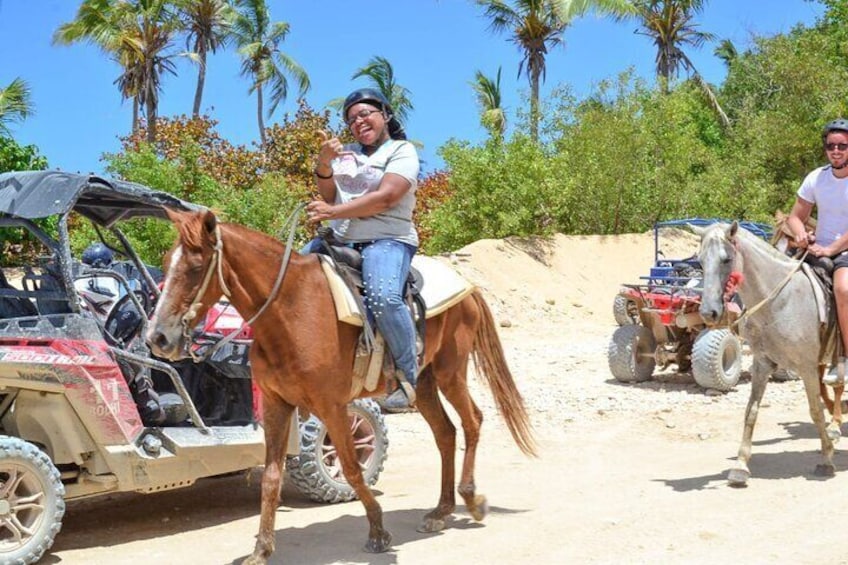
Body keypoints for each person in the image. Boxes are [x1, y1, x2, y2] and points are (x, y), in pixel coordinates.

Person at [305, 88, 420, 411]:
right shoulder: (348, 154)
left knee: (383, 297)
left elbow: (386, 197)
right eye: (352, 119)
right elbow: (329, 195)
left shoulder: (402, 151)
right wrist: (324, 164)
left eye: (365, 113)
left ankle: (408, 378)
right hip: (340, 240)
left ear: (385, 115)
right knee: (286, 279)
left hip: (387, 239)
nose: (359, 121)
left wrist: (332, 213)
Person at [787, 118, 848, 385]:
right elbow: (795, 216)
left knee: (843, 289)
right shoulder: (816, 178)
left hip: (842, 250)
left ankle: (844, 358)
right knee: (784, 279)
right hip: (819, 247)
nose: (836, 151)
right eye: (831, 146)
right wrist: (800, 233)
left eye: (842, 146)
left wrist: (831, 248)